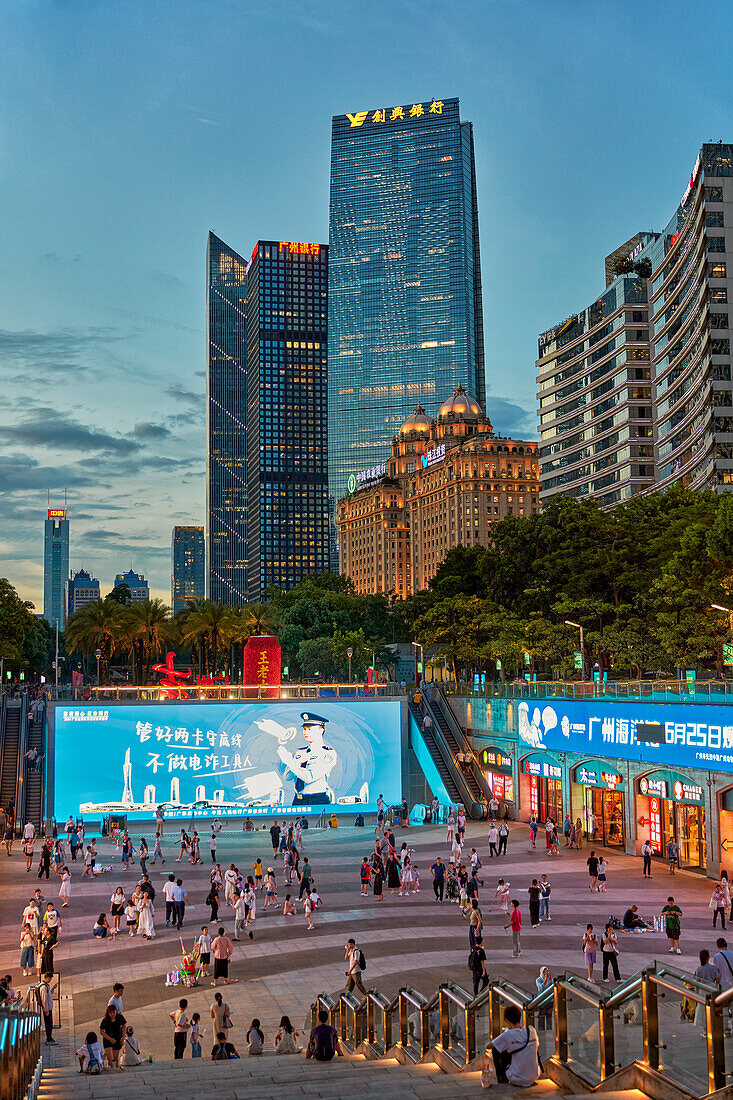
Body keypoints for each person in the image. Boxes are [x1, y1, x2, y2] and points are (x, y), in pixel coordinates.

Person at [490, 1004, 541, 1087]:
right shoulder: (531, 1030)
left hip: (516, 1078)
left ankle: (502, 1079)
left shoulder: (507, 1034)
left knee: (496, 1049)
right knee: (526, 1047)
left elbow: (489, 1046)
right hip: (534, 1076)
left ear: (507, 1020)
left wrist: (503, 1036)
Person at [37, 972, 57, 1045]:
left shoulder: (45, 986)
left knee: (49, 1023)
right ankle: (49, 1038)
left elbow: (48, 995)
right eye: (50, 978)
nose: (50, 980)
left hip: (48, 1008)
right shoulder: (43, 987)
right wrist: (46, 1010)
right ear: (48, 978)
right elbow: (44, 999)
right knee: (48, 1024)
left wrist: (53, 989)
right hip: (47, 1009)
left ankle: (50, 1037)